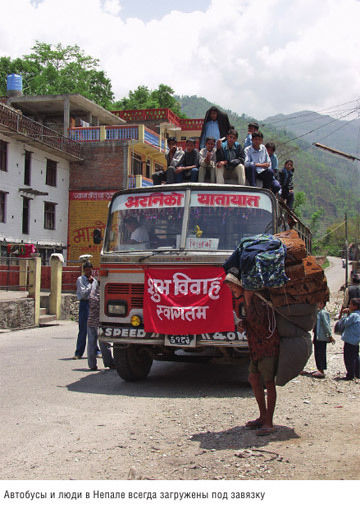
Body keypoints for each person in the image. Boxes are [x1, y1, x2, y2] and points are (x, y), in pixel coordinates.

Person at [224, 268, 280, 436]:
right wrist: (244, 323)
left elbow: (263, 323)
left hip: (268, 346)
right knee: (253, 378)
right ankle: (262, 416)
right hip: (257, 347)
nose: (232, 291)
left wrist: (247, 319)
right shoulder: (248, 299)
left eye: (233, 287)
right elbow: (252, 322)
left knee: (269, 383)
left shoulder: (257, 299)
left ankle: (269, 422)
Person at [87, 282, 115, 371]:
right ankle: (109, 362)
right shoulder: (102, 295)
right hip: (99, 323)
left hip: (90, 321)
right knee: (104, 343)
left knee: (91, 344)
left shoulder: (92, 295)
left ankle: (92, 365)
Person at [73, 261, 98, 360]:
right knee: (83, 329)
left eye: (90, 270)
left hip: (93, 304)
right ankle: (79, 352)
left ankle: (96, 350)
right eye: (86, 270)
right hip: (84, 304)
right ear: (84, 270)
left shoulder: (94, 280)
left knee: (94, 329)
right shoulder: (81, 280)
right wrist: (90, 285)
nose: (88, 272)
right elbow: (83, 293)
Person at [336, 298, 360, 380]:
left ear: (355, 306)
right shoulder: (358, 315)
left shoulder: (354, 315)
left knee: (349, 358)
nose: (349, 306)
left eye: (351, 304)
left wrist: (344, 314)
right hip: (356, 340)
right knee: (355, 356)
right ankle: (357, 373)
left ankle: (350, 374)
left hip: (350, 340)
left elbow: (345, 323)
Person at [312, 301, 335, 378]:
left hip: (321, 337)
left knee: (320, 353)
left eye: (320, 303)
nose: (318, 304)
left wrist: (330, 336)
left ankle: (321, 370)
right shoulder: (318, 312)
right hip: (318, 336)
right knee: (317, 353)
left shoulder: (323, 313)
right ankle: (319, 368)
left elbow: (326, 325)